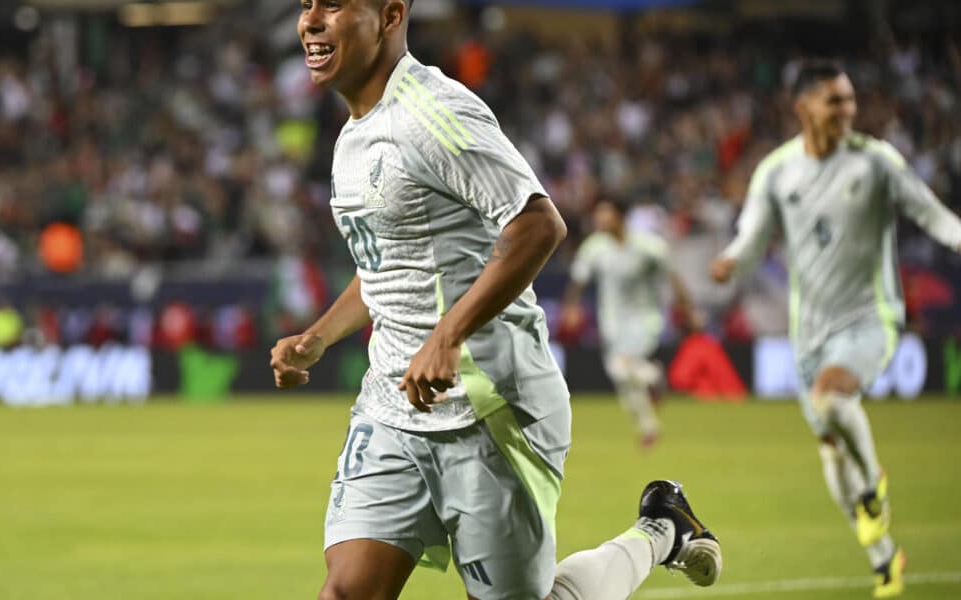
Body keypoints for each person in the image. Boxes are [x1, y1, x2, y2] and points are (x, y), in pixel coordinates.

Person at [270, 1, 722, 598]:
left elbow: (538, 224)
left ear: (389, 14)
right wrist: (320, 336)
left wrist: (447, 335)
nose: (311, 20)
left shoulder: (432, 112)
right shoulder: (352, 136)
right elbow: (387, 268)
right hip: (392, 409)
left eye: (333, 4)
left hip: (489, 410)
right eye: (306, 5)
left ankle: (660, 529)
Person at [710, 60, 961, 599]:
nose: (847, 110)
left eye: (850, 99)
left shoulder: (875, 162)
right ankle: (883, 558)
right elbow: (752, 236)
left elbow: (932, 214)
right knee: (829, 445)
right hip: (810, 333)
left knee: (831, 400)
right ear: (803, 107)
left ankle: (874, 488)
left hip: (871, 316)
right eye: (835, 101)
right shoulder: (777, 170)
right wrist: (731, 260)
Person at [561, 197, 700, 447]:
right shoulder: (595, 248)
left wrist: (687, 308)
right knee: (623, 376)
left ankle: (653, 381)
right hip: (611, 322)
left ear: (619, 216)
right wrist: (572, 307)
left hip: (645, 319)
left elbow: (673, 276)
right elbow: (578, 280)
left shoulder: (648, 246)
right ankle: (650, 417)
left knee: (622, 367)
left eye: (605, 213)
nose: (599, 220)